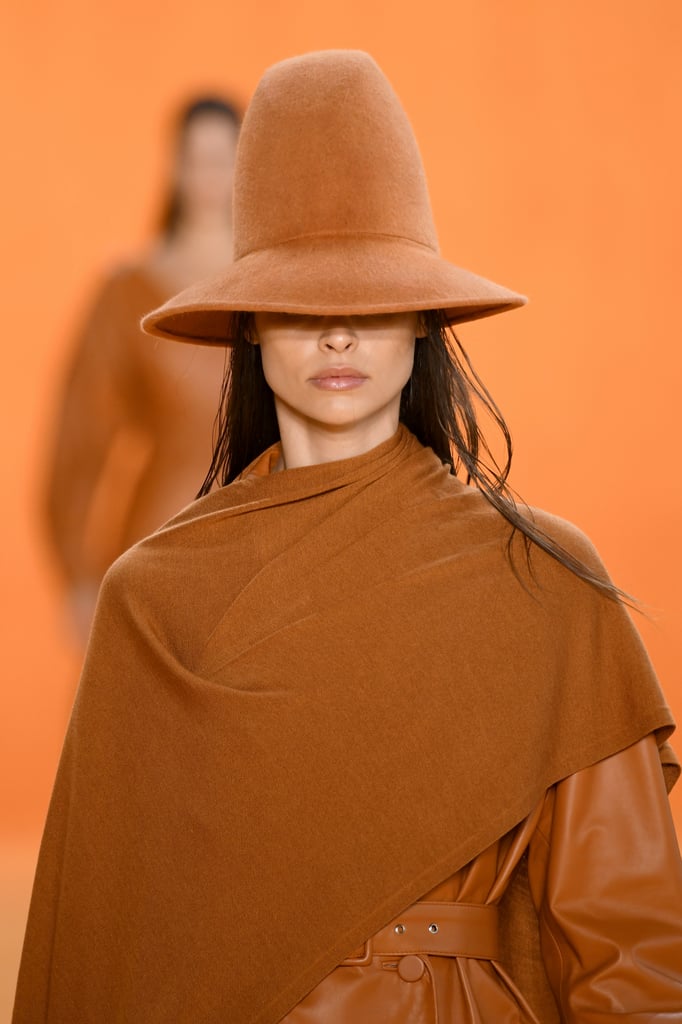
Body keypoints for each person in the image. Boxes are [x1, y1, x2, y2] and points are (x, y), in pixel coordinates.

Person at [14, 50, 682, 1024]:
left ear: (422, 317)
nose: (339, 333)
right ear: (245, 322)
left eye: (371, 293)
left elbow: (633, 951)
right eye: (304, 295)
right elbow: (104, 955)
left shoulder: (542, 576)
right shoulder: (153, 602)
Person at [43, 95, 242, 646]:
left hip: (266, 549)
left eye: (223, 158)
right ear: (174, 166)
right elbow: (78, 441)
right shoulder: (129, 289)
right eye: (196, 159)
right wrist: (79, 574)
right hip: (159, 540)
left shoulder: (274, 284)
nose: (209, 175)